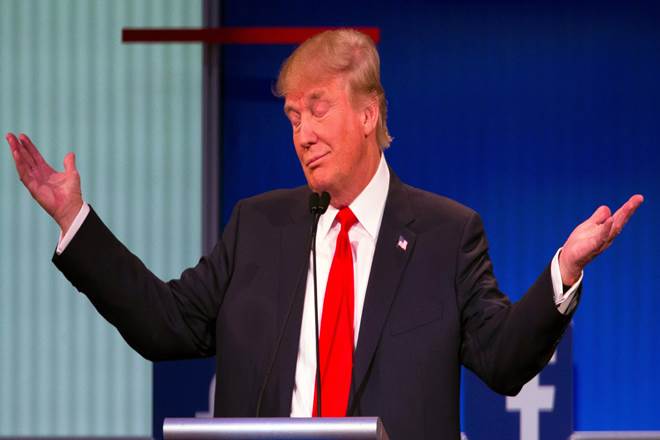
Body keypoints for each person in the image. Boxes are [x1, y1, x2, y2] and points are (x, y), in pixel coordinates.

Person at [5, 29, 643, 440]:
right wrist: (75, 222)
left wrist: (564, 268)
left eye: (317, 109)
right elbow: (164, 324)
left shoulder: (446, 235)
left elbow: (503, 361)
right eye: (292, 117)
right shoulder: (258, 227)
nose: (302, 134)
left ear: (368, 113)